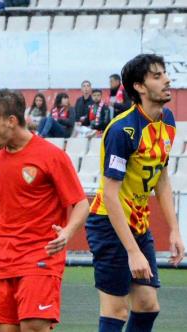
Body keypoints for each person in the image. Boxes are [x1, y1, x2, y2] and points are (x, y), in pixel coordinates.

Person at [0, 90, 89, 331]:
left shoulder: (51, 156)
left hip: (40, 255)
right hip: (2, 258)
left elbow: (81, 203)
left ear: (11, 121)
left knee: (33, 326)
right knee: (5, 328)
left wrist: (68, 232)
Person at [86, 54, 184, 332]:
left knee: (147, 305)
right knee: (116, 310)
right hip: (109, 224)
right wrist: (133, 251)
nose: (167, 79)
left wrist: (174, 230)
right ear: (139, 87)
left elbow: (161, 177)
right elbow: (110, 195)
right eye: (157, 76)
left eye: (165, 73)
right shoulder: (121, 130)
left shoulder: (168, 121)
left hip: (138, 224)